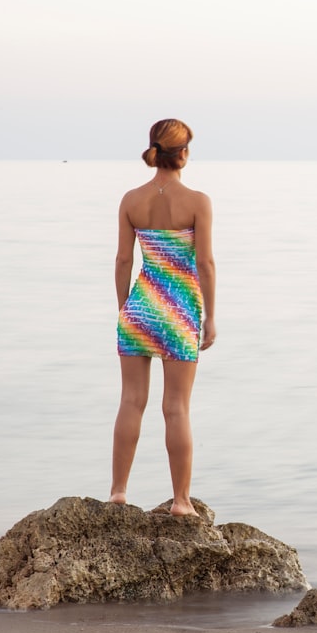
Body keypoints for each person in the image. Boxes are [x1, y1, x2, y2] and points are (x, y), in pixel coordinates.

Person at [110, 119, 216, 517]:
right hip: (180, 312)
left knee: (131, 401)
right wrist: (210, 317)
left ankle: (118, 492)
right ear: (183, 153)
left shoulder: (131, 200)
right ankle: (182, 502)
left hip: (140, 307)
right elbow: (204, 262)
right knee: (176, 409)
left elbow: (123, 260)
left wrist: (125, 308)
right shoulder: (197, 201)